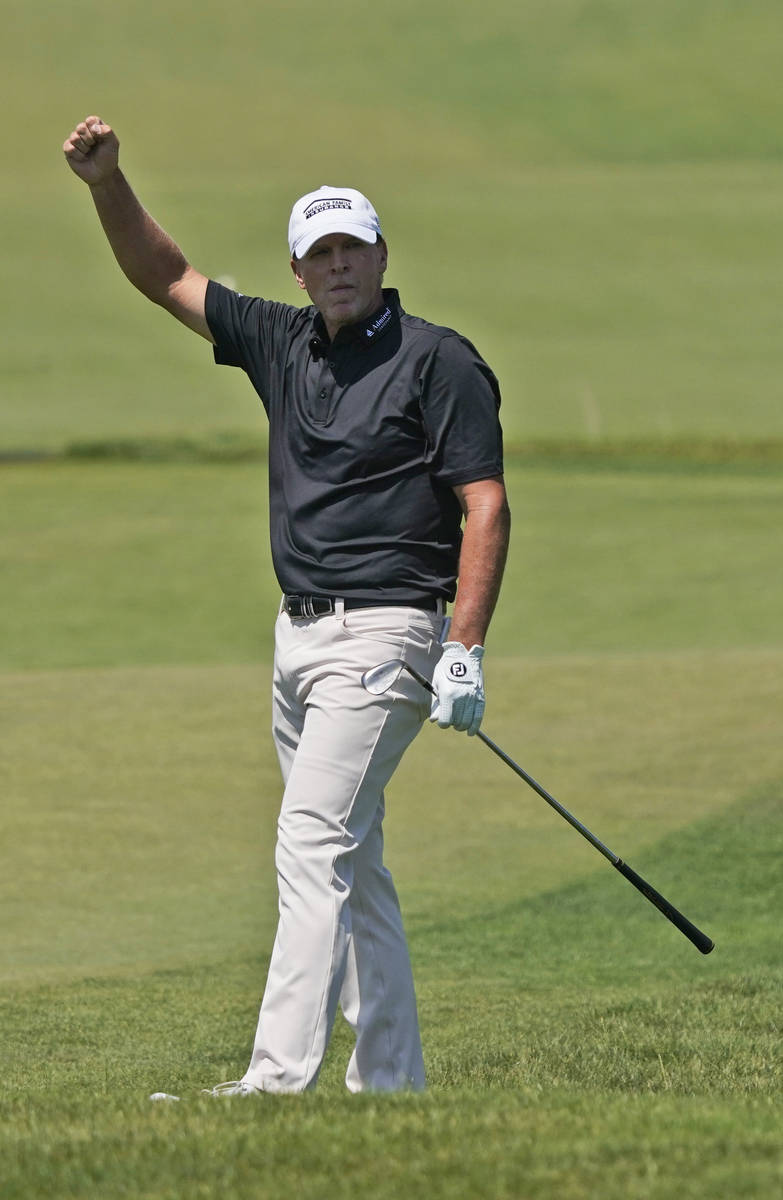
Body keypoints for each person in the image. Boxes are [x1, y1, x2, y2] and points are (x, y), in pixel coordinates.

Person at [63, 115, 511, 1096]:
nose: (338, 264)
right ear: (300, 270)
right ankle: (392, 1080)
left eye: (353, 246)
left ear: (382, 254)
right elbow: (166, 277)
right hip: (297, 640)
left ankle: (275, 1079)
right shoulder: (279, 340)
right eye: (320, 252)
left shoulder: (439, 362)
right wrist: (107, 185)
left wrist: (463, 647)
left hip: (389, 632)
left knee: (310, 841)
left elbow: (482, 503)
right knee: (354, 859)